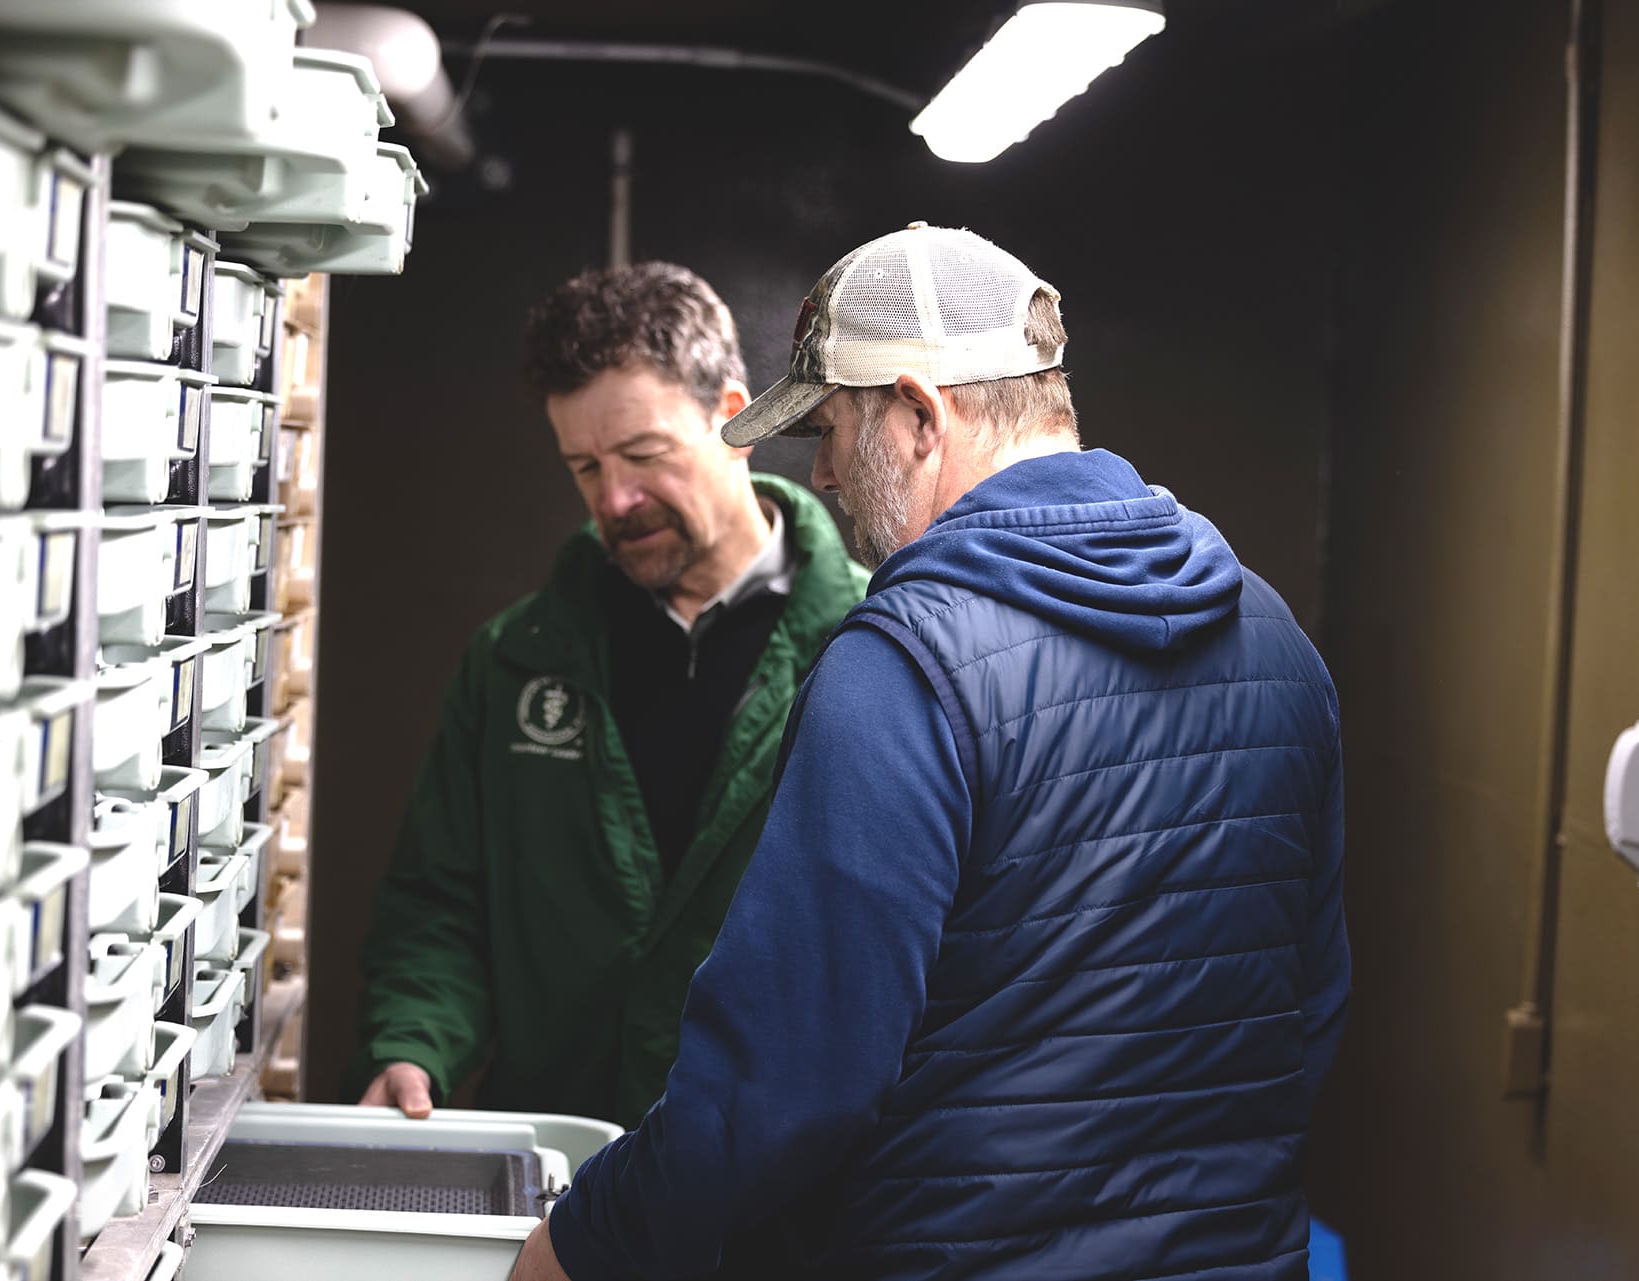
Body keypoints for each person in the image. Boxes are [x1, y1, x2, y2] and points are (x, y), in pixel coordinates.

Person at [513, 225, 1350, 1280]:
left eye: (828, 427)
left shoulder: (902, 669)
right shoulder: (1277, 641)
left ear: (918, 414)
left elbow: (786, 1083)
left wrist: (584, 1242)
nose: (816, 472)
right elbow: (1307, 1014)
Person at [349, 262, 870, 1129]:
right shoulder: (517, 661)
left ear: (735, 418)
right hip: (558, 1166)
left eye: (642, 454)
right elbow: (441, 900)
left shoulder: (870, 649)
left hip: (767, 1188)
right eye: (584, 466)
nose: (615, 499)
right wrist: (413, 1040)